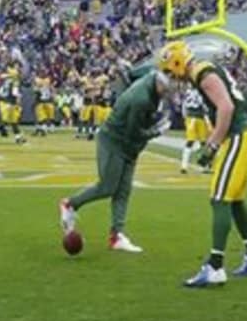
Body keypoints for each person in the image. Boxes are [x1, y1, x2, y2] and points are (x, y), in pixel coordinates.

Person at [157, 41, 247, 288]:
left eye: (168, 69)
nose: (169, 75)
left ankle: (215, 266)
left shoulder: (201, 73)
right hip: (241, 136)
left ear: (177, 62)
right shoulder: (204, 71)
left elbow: (226, 108)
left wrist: (213, 145)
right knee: (235, 199)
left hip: (237, 136)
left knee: (219, 198)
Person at [58, 68, 173, 254]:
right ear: (160, 82)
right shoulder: (141, 99)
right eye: (167, 88)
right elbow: (133, 133)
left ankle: (117, 235)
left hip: (127, 143)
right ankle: (70, 204)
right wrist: (156, 131)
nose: (169, 93)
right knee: (108, 187)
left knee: (124, 191)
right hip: (115, 141)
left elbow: (131, 73)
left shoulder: (150, 78)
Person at [180, 87, 211, 174]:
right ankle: (203, 165)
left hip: (192, 117)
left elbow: (184, 104)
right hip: (198, 116)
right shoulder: (200, 91)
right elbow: (204, 105)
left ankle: (184, 165)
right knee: (198, 142)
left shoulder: (188, 91)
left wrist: (184, 116)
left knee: (195, 141)